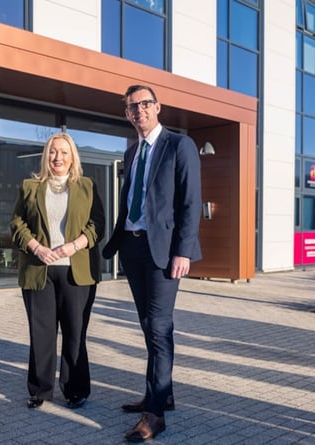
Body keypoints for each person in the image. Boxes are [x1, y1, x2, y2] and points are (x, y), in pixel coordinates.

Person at [102, 85, 202, 442]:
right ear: (127, 114)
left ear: (158, 107)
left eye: (145, 104)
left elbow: (190, 202)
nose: (138, 110)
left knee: (158, 327)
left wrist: (184, 251)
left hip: (163, 252)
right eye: (131, 107)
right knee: (150, 325)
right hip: (132, 248)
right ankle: (162, 393)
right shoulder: (131, 153)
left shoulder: (179, 146)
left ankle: (154, 414)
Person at [10, 132, 105, 410]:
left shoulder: (87, 186)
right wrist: (37, 248)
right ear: (46, 156)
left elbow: (98, 224)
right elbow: (16, 223)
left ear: (72, 156)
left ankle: (75, 390)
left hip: (77, 271)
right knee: (42, 334)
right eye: (53, 152)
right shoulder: (29, 186)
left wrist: (74, 245)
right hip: (39, 270)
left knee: (75, 334)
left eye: (64, 152)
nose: (58, 158)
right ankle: (40, 390)